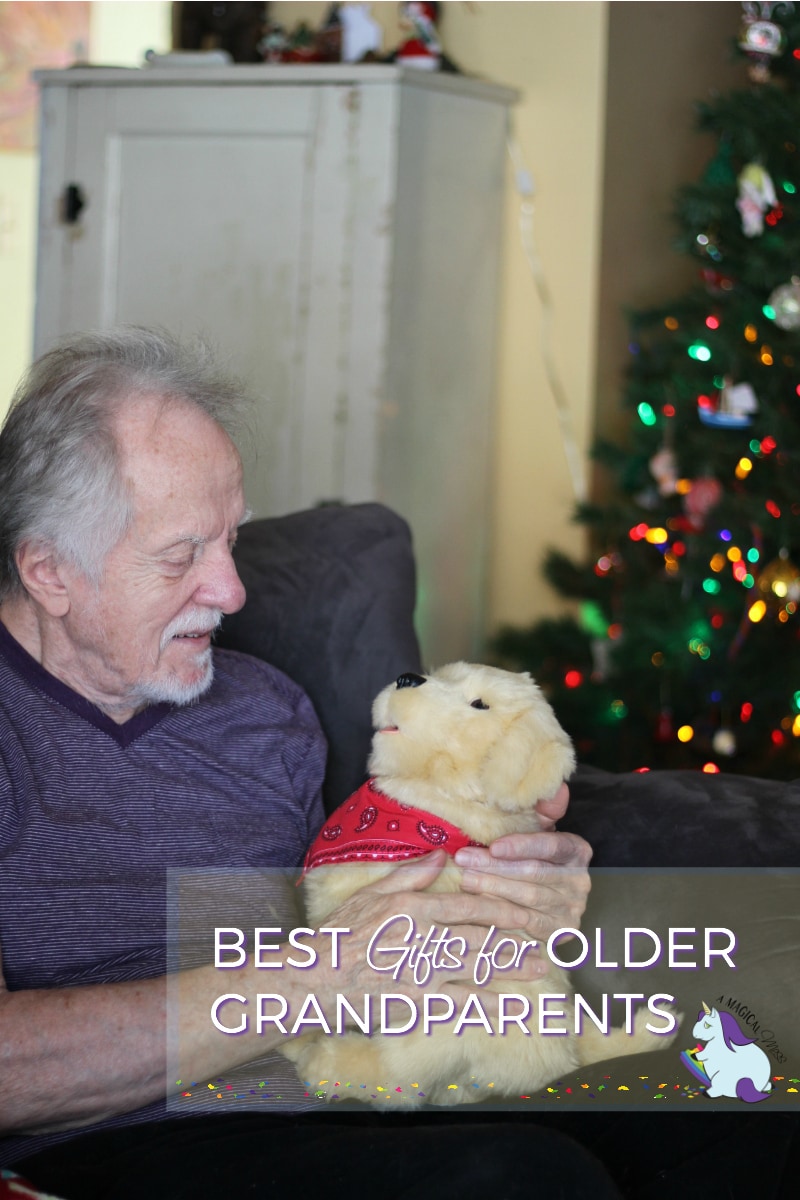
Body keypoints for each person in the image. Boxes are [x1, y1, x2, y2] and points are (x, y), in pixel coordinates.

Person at [0, 329, 614, 1198]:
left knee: (742, 1103)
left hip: (350, 1083)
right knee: (515, 1179)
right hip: (120, 1145)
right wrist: (319, 975)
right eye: (182, 556)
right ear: (50, 573)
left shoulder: (266, 710)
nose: (232, 591)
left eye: (231, 540)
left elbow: (367, 894)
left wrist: (508, 880)